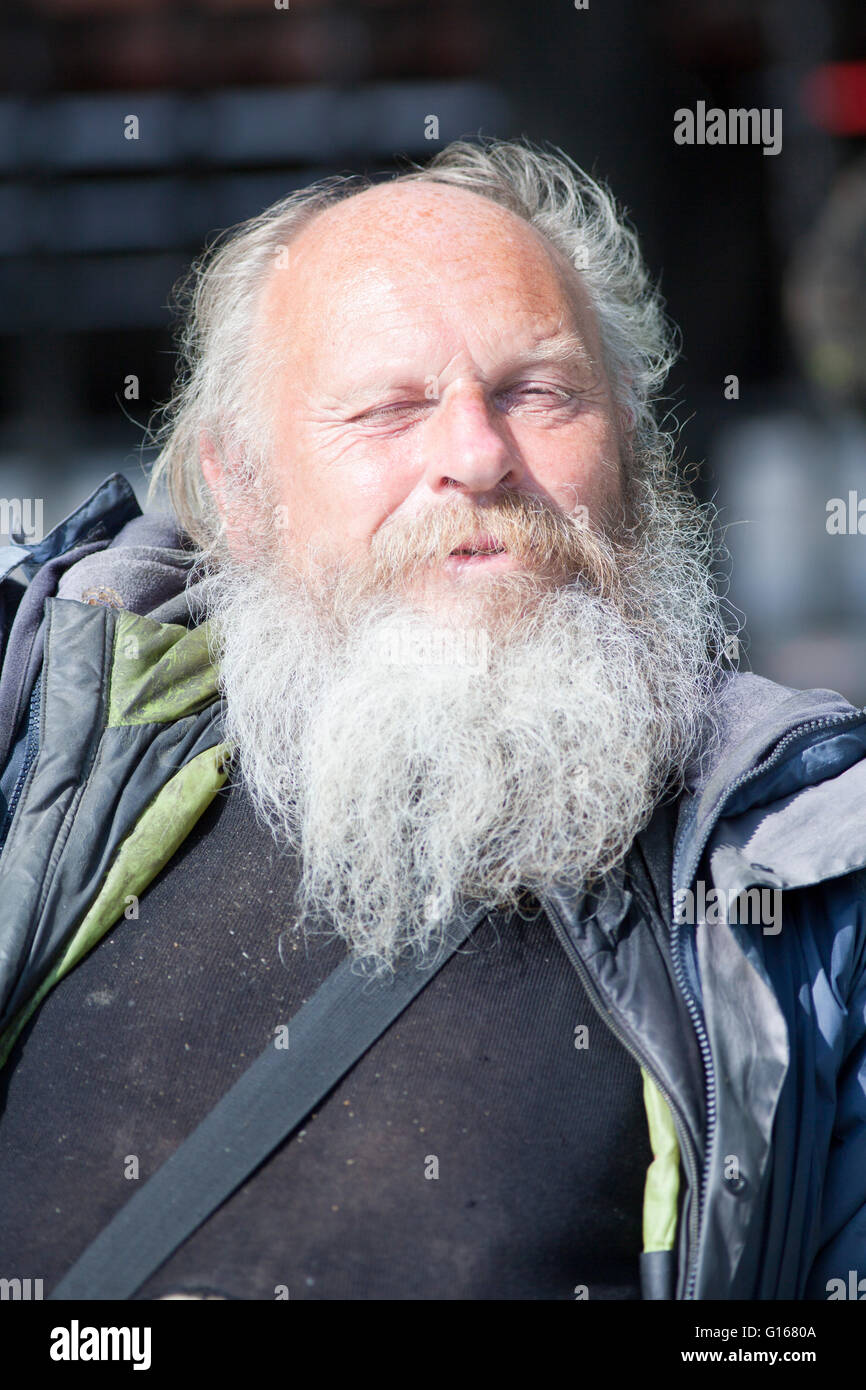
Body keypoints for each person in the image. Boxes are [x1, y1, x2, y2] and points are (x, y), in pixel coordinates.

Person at [0, 138, 863, 1302]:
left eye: (536, 392)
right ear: (241, 496)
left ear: (632, 456)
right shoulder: (44, 760)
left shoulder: (806, 895)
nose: (474, 454)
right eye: (385, 408)